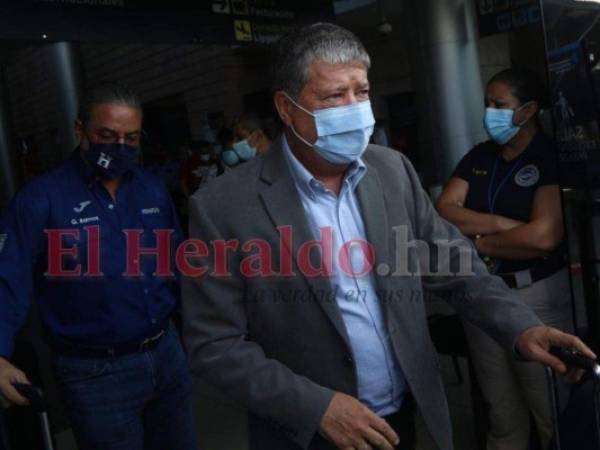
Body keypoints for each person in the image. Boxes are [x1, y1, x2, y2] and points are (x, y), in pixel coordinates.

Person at [182, 24, 593, 450]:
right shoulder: (224, 206)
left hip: (402, 420)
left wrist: (523, 327)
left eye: (360, 92)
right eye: (333, 96)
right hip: (307, 433)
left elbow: (455, 265)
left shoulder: (392, 170)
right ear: (286, 108)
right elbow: (214, 345)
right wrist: (316, 407)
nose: (354, 108)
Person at [0, 83, 197, 450]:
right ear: (80, 131)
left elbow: (179, 265)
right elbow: (6, 279)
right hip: (94, 374)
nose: (119, 147)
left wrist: (202, 333)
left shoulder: (152, 189)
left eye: (131, 138)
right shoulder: (40, 199)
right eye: (107, 135)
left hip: (166, 354)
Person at [436, 68, 574, 450]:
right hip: (483, 296)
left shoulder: (548, 155)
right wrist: (500, 224)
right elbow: (444, 209)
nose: (490, 112)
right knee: (501, 413)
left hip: (536, 296)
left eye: (500, 105)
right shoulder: (480, 156)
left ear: (528, 110)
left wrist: (479, 243)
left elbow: (544, 235)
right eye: (487, 104)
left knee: (550, 411)